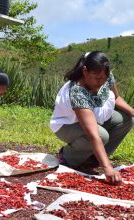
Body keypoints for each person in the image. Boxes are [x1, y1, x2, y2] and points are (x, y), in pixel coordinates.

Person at [50, 51, 133, 184]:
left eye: (104, 78)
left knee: (126, 119)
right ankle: (67, 156)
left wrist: (133, 111)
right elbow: (93, 134)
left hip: (91, 118)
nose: (101, 82)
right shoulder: (77, 91)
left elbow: (116, 98)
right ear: (85, 71)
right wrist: (108, 168)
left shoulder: (105, 75)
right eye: (97, 78)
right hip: (66, 125)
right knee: (101, 136)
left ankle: (90, 160)